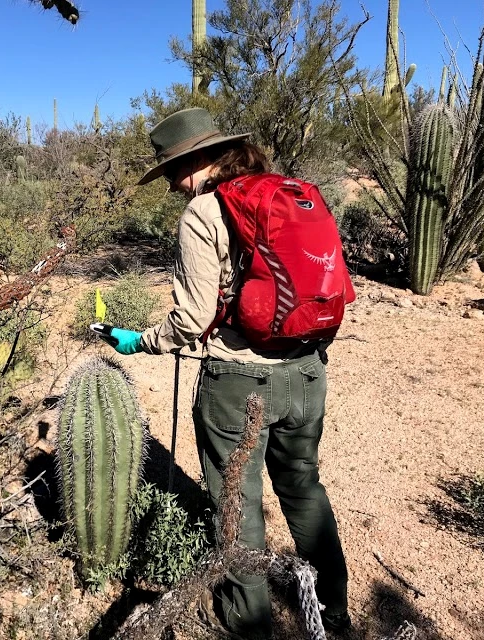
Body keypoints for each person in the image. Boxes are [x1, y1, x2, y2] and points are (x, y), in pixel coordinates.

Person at [104, 108, 351, 638]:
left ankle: (248, 621)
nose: (172, 186)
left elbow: (192, 319)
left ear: (195, 162)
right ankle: (335, 613)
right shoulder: (287, 192)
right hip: (308, 371)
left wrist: (142, 340)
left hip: (239, 382)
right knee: (304, 486)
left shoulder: (204, 211)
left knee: (237, 504)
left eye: (171, 172)